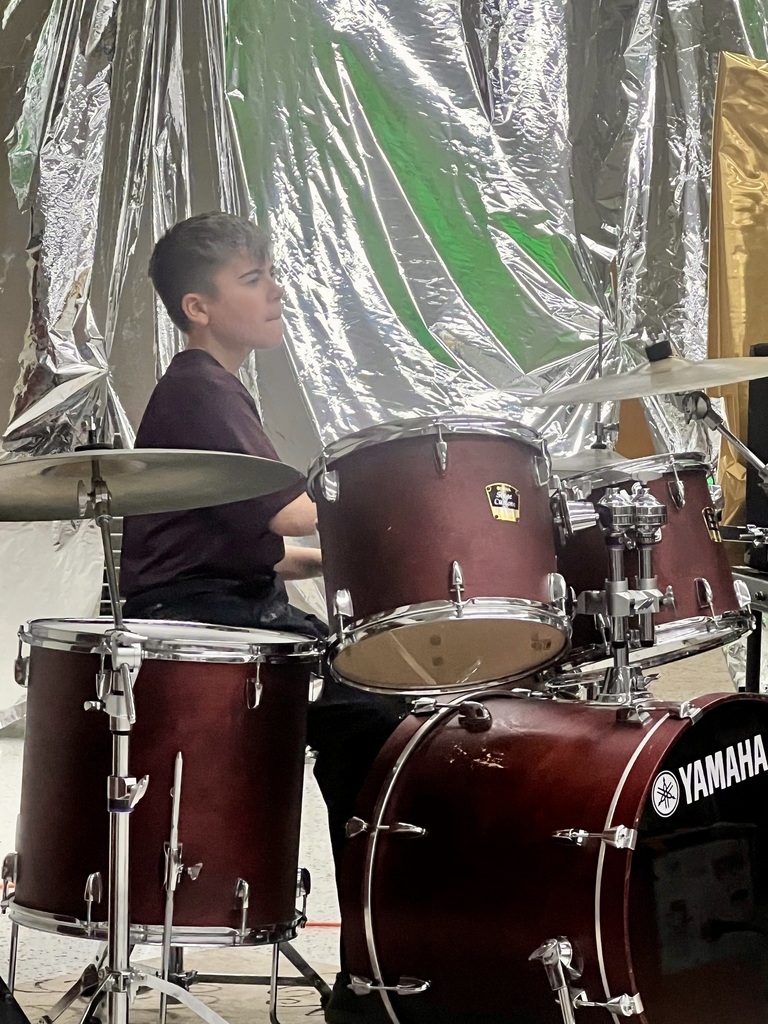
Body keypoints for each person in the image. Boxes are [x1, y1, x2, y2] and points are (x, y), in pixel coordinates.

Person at [120, 211, 404, 1023]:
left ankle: (376, 948)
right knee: (374, 716)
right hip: (201, 623)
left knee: (373, 697)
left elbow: (251, 544)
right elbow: (293, 518)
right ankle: (371, 962)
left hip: (223, 600)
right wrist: (392, 515)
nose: (275, 290)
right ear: (197, 305)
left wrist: (354, 563)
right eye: (253, 279)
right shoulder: (201, 390)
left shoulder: (212, 389)